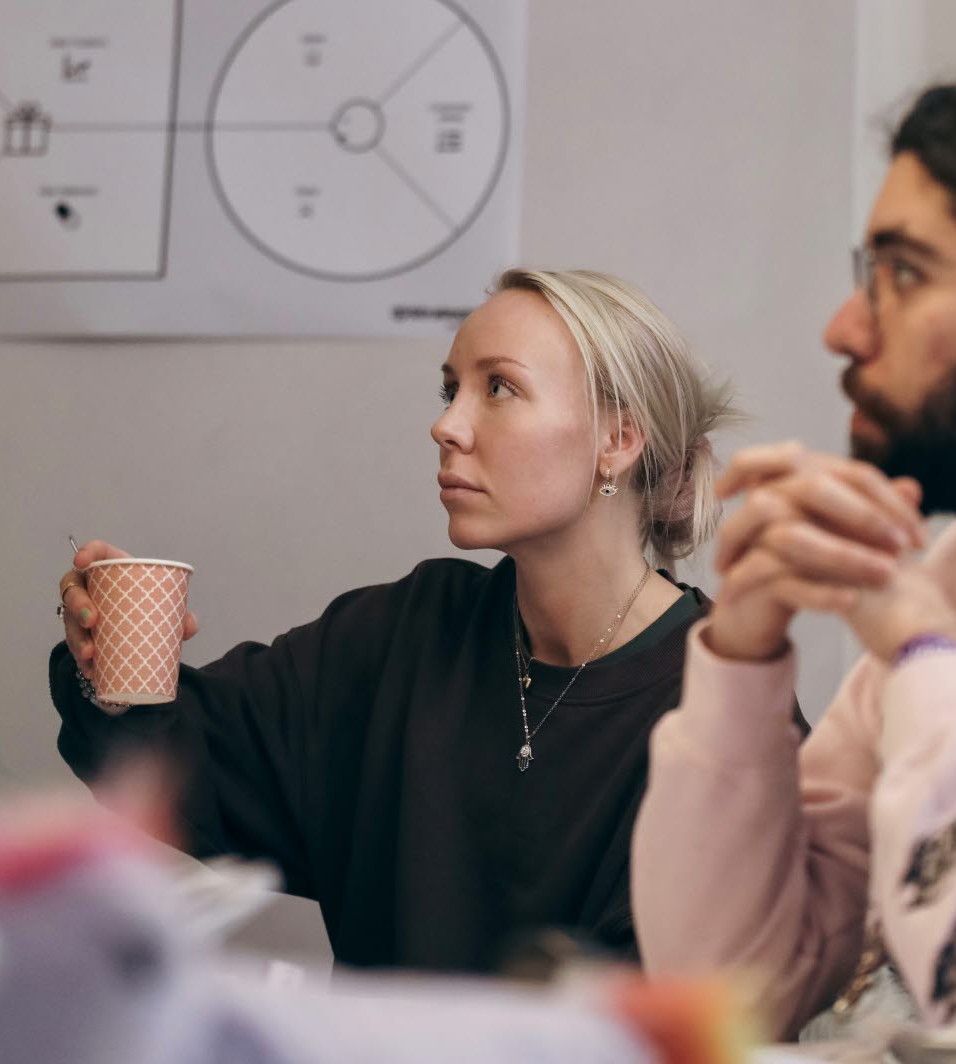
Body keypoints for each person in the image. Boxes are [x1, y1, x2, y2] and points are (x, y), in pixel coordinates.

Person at [51, 267, 738, 974]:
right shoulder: (406, 633)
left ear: (617, 440)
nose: (446, 425)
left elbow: (668, 1019)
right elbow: (184, 763)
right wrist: (111, 666)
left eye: (499, 387)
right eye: (451, 390)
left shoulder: (729, 715)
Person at [632, 58, 956, 1039]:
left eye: (905, 272)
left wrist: (929, 656)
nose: (844, 328)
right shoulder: (955, 574)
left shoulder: (925, 614)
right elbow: (732, 995)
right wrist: (742, 655)